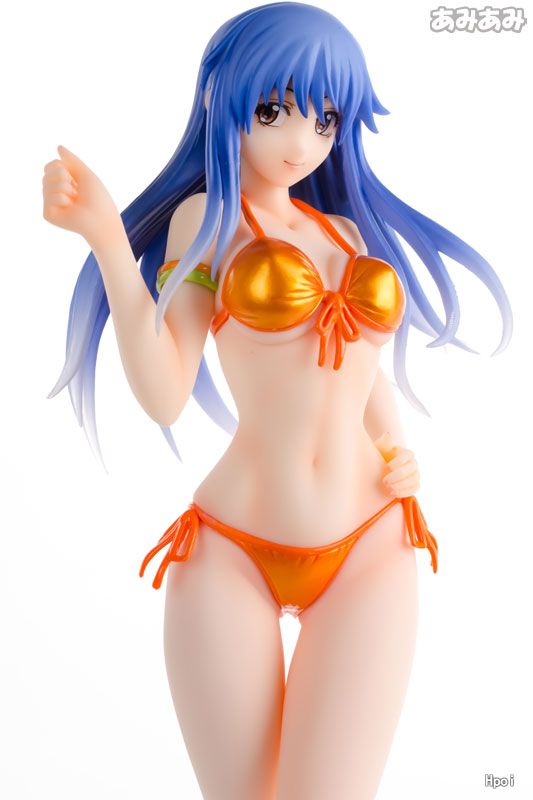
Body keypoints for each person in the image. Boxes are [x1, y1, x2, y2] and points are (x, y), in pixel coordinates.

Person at [42, 4, 513, 798]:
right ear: (219, 99)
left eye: (324, 119)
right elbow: (164, 394)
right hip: (231, 546)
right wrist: (108, 241)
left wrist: (397, 448)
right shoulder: (206, 221)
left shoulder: (344, 235)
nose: (301, 141)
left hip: (371, 537)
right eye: (272, 111)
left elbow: (362, 371)